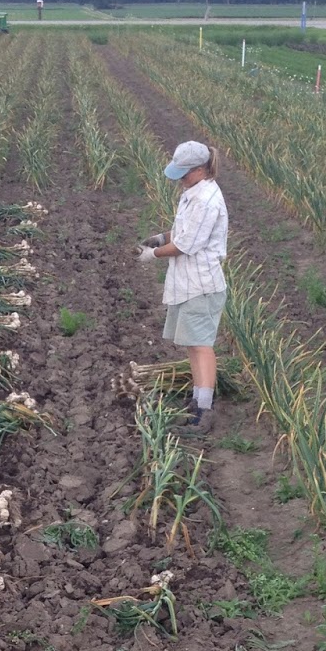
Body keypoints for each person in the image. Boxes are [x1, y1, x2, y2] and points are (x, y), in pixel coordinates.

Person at [137, 140, 228, 437]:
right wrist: (161, 238)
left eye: (184, 173)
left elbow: (187, 244)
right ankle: (197, 400)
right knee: (193, 344)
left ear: (201, 169)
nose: (179, 179)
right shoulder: (193, 192)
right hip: (188, 283)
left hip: (200, 284)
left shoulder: (205, 200)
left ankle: (205, 410)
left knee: (202, 346)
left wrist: (153, 254)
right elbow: (183, 232)